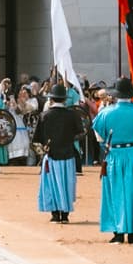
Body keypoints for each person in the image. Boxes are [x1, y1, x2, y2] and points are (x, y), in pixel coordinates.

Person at [93, 77, 133, 243]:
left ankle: (117, 233)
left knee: (115, 192)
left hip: (114, 155)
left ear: (115, 94)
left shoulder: (105, 113)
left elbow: (99, 134)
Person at [36, 82, 82, 223]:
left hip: (51, 155)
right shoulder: (72, 115)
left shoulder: (45, 115)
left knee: (51, 184)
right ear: (65, 99)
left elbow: (37, 138)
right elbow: (80, 132)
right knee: (67, 184)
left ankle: (55, 213)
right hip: (68, 154)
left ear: (51, 99)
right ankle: (65, 214)